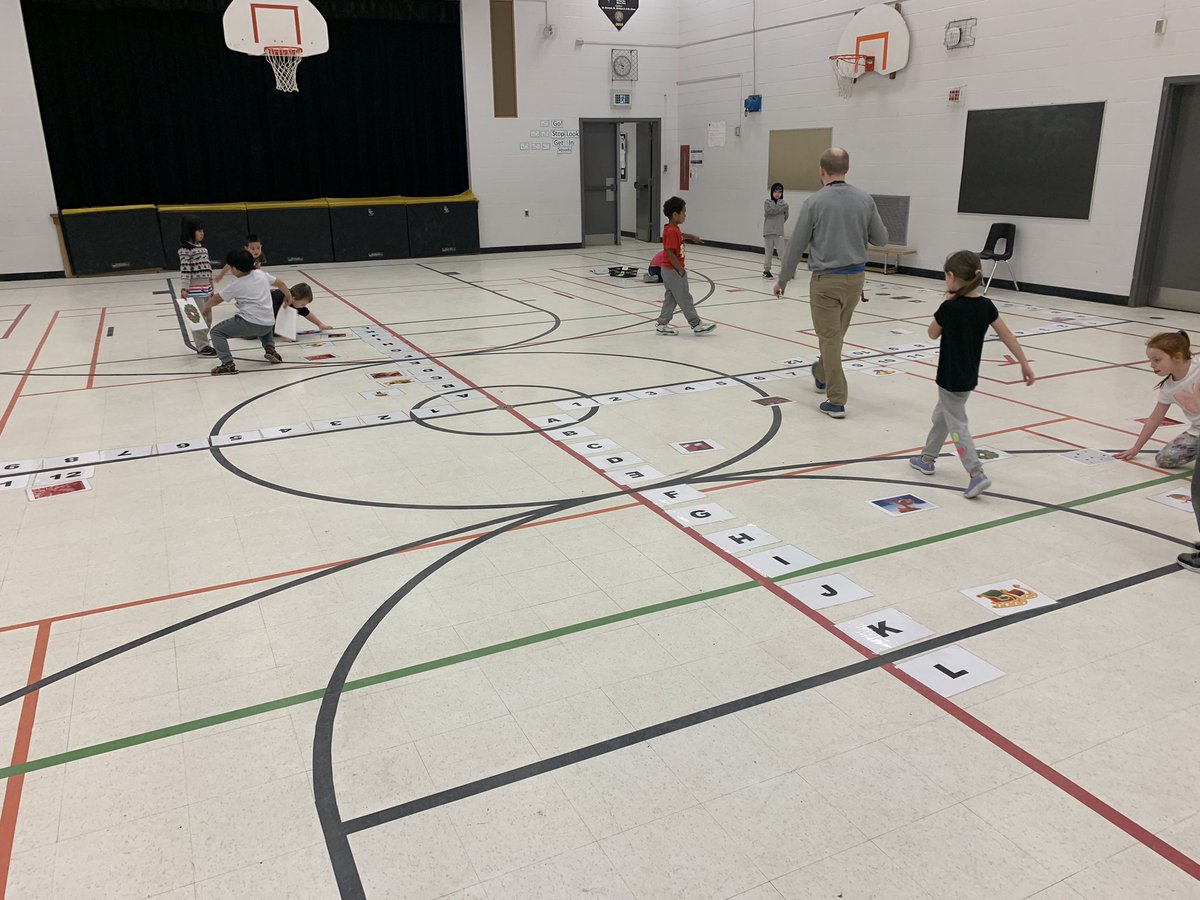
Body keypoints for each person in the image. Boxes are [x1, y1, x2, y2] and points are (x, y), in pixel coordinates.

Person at [908, 250, 1035, 499]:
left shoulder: (949, 307)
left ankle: (976, 473)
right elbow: (1007, 335)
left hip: (949, 378)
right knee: (942, 416)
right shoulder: (986, 306)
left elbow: (932, 333)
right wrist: (1024, 363)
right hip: (968, 377)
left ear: (951, 276)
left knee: (957, 425)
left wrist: (946, 303)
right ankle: (927, 458)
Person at [773, 147, 888, 418]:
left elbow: (796, 244)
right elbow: (881, 238)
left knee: (830, 340)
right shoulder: (865, 200)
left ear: (821, 170)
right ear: (847, 169)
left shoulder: (814, 202)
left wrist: (783, 279)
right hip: (855, 280)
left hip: (826, 282)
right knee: (834, 338)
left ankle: (836, 400)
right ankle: (821, 372)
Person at [200, 249, 293, 375]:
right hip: (269, 324)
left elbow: (217, 298)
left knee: (216, 332)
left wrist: (206, 307)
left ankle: (227, 363)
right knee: (263, 324)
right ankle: (270, 348)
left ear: (236, 269)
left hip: (250, 324)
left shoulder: (236, 284)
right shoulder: (261, 274)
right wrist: (288, 295)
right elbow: (280, 283)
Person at [1115, 331, 1199, 470]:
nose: (1152, 365)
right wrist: (1136, 448)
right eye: (1150, 360)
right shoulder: (1168, 388)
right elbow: (1154, 419)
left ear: (1177, 357)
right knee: (1164, 459)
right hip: (1197, 431)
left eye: (1157, 360)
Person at [656, 197, 716, 336]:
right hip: (673, 270)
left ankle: (662, 324)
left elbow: (680, 235)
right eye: (683, 212)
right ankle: (696, 324)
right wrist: (680, 269)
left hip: (668, 270)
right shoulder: (672, 231)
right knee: (684, 297)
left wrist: (692, 237)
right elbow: (669, 252)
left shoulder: (673, 229)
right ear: (675, 214)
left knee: (671, 298)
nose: (685, 215)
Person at [178, 216, 216, 357]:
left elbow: (208, 269)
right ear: (190, 232)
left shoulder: (203, 249)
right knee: (197, 319)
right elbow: (185, 271)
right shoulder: (185, 251)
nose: (202, 233)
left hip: (206, 289)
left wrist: (211, 286)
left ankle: (204, 342)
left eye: (202, 230)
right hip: (194, 291)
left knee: (208, 319)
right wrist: (184, 288)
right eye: (199, 231)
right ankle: (202, 347)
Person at [762, 182, 788, 278]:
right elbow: (769, 212)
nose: (777, 194)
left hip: (778, 232)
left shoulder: (784, 204)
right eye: (775, 191)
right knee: (768, 252)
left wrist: (778, 223)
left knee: (782, 253)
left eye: (779, 192)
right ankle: (766, 270)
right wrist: (781, 209)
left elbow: (786, 216)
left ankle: (786, 271)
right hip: (768, 231)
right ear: (772, 192)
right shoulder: (767, 202)